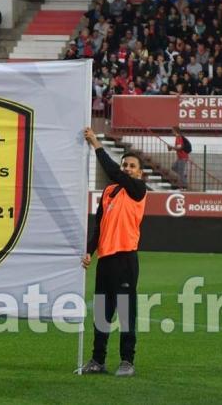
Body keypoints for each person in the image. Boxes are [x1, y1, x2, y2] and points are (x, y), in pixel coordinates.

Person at [81, 127, 146, 377]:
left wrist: (96, 143)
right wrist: (89, 252)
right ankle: (98, 360)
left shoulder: (137, 189)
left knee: (126, 313)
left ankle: (127, 361)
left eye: (132, 166)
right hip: (106, 259)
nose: (128, 169)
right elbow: (99, 226)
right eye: (126, 165)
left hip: (125, 258)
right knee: (101, 312)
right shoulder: (109, 192)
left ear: (139, 172)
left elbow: (112, 171)